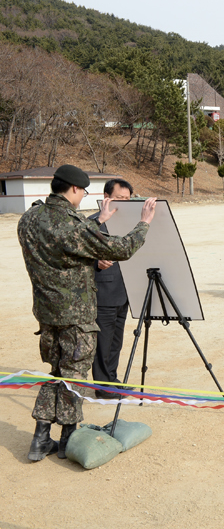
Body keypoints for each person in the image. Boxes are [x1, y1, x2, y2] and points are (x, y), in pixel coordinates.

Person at [17, 164, 156, 462]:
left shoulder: (29, 218)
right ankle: (68, 439)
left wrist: (101, 220)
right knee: (74, 377)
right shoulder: (73, 225)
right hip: (75, 316)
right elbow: (121, 248)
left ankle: (41, 438)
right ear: (75, 189)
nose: (82, 197)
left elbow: (63, 246)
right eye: (82, 192)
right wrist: (143, 223)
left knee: (57, 373)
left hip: (46, 313)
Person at [89, 179, 135, 400]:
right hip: (103, 294)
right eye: (119, 198)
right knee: (103, 343)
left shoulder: (131, 224)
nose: (123, 203)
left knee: (116, 342)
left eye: (127, 199)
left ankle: (112, 381)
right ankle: (103, 387)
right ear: (106, 197)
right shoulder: (91, 224)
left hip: (124, 292)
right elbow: (74, 256)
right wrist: (95, 262)